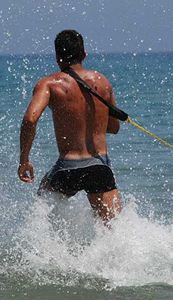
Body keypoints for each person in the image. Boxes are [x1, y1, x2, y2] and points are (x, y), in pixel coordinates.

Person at [18, 29, 121, 224]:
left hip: (67, 168)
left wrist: (24, 160)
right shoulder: (103, 82)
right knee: (113, 229)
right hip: (99, 166)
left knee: (41, 212)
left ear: (57, 56)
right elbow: (114, 127)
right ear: (84, 54)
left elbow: (30, 119)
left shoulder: (49, 84)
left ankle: (54, 252)